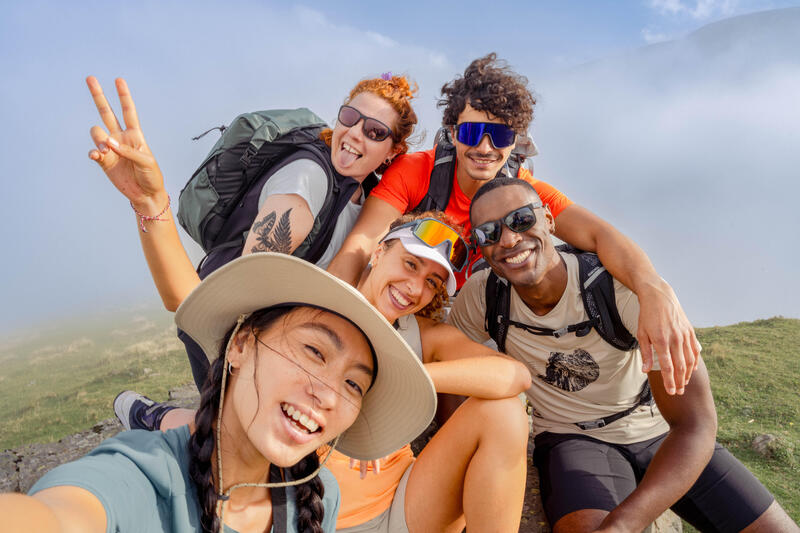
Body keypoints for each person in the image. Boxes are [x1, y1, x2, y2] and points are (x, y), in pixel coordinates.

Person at [117, 212, 534, 533]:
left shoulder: (419, 335)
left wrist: (401, 379)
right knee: (215, 427)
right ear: (379, 251)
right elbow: (188, 300)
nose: (415, 288)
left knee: (505, 413)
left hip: (405, 503)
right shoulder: (322, 313)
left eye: (431, 281)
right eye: (409, 264)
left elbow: (514, 376)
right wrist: (151, 208)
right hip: (320, 514)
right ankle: (155, 417)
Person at [327, 53, 700, 396]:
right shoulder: (418, 171)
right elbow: (361, 244)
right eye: (472, 133)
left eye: (501, 135)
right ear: (453, 132)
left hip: (468, 322)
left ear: (515, 140)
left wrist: (654, 292)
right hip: (402, 305)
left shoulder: (525, 194)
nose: (486, 147)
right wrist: (337, 326)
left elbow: (600, 236)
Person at [449, 177, 800, 533]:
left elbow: (695, 424)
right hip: (572, 439)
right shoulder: (483, 297)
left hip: (660, 432)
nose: (508, 240)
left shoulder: (617, 288)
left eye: (521, 220)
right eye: (488, 233)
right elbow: (451, 363)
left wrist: (623, 524)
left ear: (549, 221)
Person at [0, 253, 438, 533]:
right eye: (313, 351)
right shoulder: (145, 478)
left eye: (353, 384)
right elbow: (61, 515)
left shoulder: (320, 492)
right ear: (242, 344)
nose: (327, 394)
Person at [84, 73, 418, 388]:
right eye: (350, 117)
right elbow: (243, 291)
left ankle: (155, 415)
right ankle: (152, 417)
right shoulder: (309, 178)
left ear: (393, 152)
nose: (356, 133)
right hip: (228, 336)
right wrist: (148, 201)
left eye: (375, 131)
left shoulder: (363, 195)